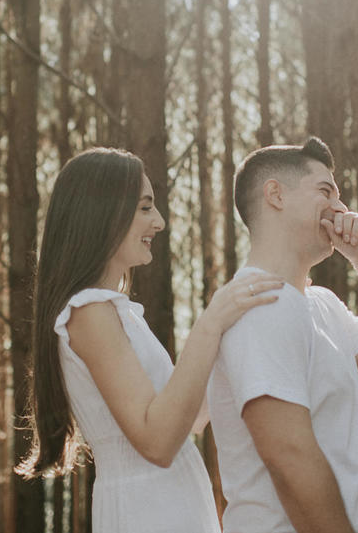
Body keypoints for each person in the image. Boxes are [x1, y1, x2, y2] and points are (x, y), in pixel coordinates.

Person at [16, 147, 282, 533]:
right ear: (101, 214)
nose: (158, 222)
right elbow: (157, 443)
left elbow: (186, 420)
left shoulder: (115, 312)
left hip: (175, 501)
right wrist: (210, 323)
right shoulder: (89, 312)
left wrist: (238, 330)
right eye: (144, 207)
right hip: (147, 511)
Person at [207, 137, 358, 533]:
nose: (341, 208)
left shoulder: (323, 305)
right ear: (275, 195)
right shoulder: (254, 304)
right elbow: (288, 457)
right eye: (324, 191)